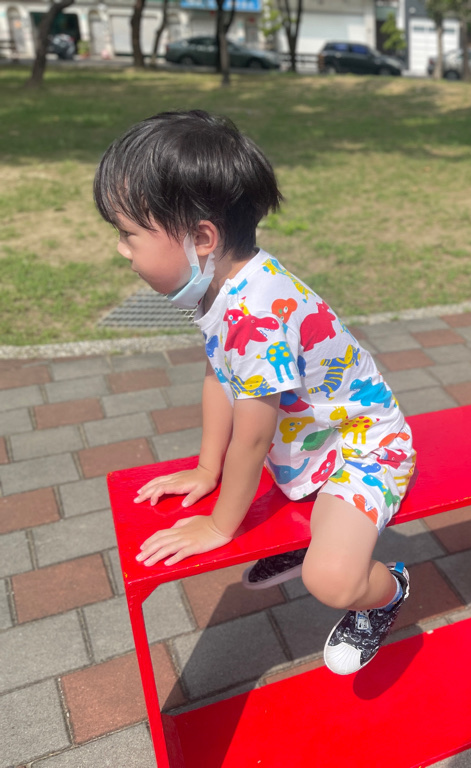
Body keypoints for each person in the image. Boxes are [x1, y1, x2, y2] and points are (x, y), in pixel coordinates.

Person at [93, 110, 417, 675]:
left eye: (129, 234)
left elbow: (253, 437)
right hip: (317, 444)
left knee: (331, 580)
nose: (122, 250)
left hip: (366, 449)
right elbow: (221, 376)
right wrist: (206, 468)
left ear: (201, 239)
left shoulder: (255, 313)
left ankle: (389, 591)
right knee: (293, 508)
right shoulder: (223, 285)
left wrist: (220, 525)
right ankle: (313, 535)